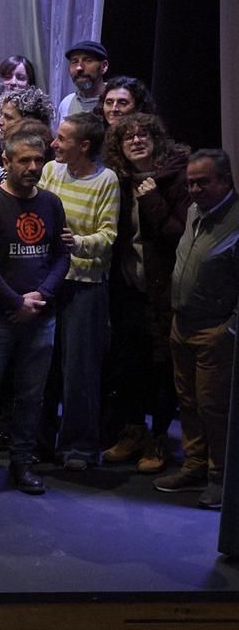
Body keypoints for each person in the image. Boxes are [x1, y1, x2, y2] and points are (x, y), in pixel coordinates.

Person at [0, 125, 71, 496]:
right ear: (6, 161)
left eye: (38, 160)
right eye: (24, 160)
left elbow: (61, 255)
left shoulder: (51, 203)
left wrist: (40, 297)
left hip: (40, 317)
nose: (33, 167)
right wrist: (15, 302)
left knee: (31, 396)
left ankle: (22, 463)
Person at [101, 114, 190, 472]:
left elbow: (178, 235)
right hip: (127, 287)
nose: (137, 141)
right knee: (128, 363)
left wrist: (151, 197)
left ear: (157, 140)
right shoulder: (119, 183)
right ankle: (133, 431)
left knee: (162, 368)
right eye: (129, 138)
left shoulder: (176, 179)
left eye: (143, 135)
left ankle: (158, 438)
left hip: (163, 289)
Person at [36, 111, 121, 470]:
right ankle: (38, 443)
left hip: (84, 285)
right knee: (42, 366)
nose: (54, 143)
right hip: (48, 281)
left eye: (62, 138)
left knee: (79, 371)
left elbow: (108, 235)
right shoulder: (51, 171)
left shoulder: (107, 181)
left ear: (84, 146)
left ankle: (79, 448)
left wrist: (77, 243)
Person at [156, 150, 239, 506]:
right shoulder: (193, 212)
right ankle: (194, 466)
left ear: (225, 180)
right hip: (183, 324)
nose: (194, 189)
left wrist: (229, 329)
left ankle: (220, 477)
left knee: (213, 406)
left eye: (202, 182)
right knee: (188, 401)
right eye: (190, 182)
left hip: (215, 330)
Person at [59, 39, 108, 129]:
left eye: (88, 60)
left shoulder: (114, 102)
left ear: (104, 66)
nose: (79, 67)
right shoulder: (66, 103)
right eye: (74, 62)